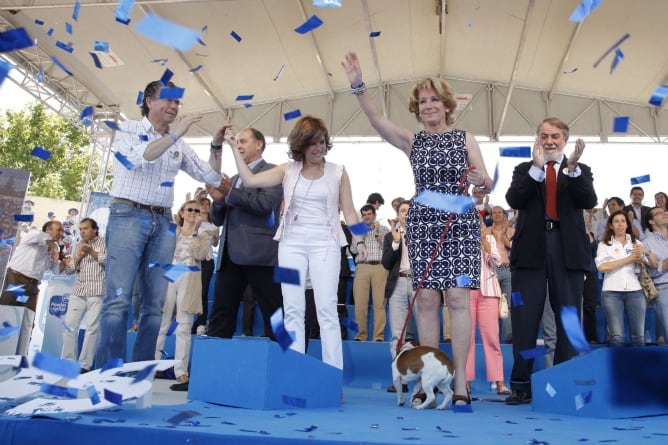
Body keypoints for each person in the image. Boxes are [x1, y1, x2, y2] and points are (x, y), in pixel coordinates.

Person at [342, 52, 492, 405]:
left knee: (457, 298)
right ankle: (427, 381)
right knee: (425, 299)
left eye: (434, 100)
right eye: (422, 101)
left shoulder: (466, 139)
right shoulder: (413, 141)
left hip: (459, 222)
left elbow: (485, 183)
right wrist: (357, 85)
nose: (428, 106)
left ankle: (459, 385)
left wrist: (479, 182)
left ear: (446, 104)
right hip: (424, 222)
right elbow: (376, 118)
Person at [95, 79, 223, 368]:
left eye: (178, 102)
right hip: (127, 214)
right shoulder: (128, 129)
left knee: (155, 305)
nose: (175, 107)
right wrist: (177, 134)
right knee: (118, 300)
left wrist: (216, 146)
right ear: (149, 101)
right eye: (169, 100)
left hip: (164, 220)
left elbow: (211, 176)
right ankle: (108, 373)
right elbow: (143, 156)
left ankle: (139, 375)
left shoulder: (180, 143)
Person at [227, 115, 367, 370]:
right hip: (290, 244)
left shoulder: (338, 172)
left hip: (326, 245)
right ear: (301, 145)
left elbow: (349, 211)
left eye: (322, 142)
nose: (318, 148)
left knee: (326, 309)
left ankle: (333, 372)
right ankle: (294, 371)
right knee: (292, 309)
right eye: (312, 143)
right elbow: (250, 181)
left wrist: (359, 240)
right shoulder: (287, 169)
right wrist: (231, 148)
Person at [505, 117, 597, 405]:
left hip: (567, 250)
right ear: (537, 139)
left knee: (568, 317)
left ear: (565, 140)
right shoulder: (524, 169)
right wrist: (534, 168)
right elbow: (514, 199)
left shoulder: (579, 171)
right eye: (544, 136)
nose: (549, 141)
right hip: (530, 251)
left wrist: (571, 168)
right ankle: (521, 385)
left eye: (555, 136)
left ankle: (560, 382)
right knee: (524, 320)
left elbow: (587, 199)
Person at [205, 127, 283, 342]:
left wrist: (231, 192)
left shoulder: (273, 172)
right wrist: (219, 201)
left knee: (275, 314)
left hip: (260, 256)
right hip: (229, 256)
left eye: (243, 141)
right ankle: (214, 366)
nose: (238, 145)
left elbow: (264, 205)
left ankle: (283, 364)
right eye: (236, 141)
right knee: (221, 314)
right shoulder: (235, 178)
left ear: (259, 144)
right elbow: (218, 219)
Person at [155, 200, 211, 391]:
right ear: (182, 211)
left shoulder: (204, 235)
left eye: (197, 210)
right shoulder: (173, 230)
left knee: (184, 325)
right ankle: (153, 365)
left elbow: (201, 254)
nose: (193, 213)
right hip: (172, 271)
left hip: (190, 274)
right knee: (162, 322)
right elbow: (162, 249)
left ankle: (181, 371)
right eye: (190, 210)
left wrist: (195, 231)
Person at [0, 220, 63, 355]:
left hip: (32, 287)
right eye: (58, 230)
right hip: (16, 281)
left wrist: (64, 261)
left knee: (27, 322)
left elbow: (56, 269)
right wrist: (54, 246)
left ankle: (20, 357)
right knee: (6, 316)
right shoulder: (35, 235)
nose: (61, 233)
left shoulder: (50, 249)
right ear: (48, 230)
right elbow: (42, 238)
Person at [466, 213, 510, 396]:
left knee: (492, 338)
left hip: (489, 293)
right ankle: (465, 382)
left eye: (479, 221)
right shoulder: (461, 240)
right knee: (465, 340)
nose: (477, 224)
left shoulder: (489, 239)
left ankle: (499, 382)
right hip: (466, 292)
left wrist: (483, 240)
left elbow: (497, 261)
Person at [595, 211, 652, 347]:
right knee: (617, 336)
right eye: (616, 221)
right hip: (611, 292)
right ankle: (619, 368)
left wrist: (646, 253)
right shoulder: (604, 244)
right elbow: (602, 267)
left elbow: (650, 264)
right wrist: (629, 259)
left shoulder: (636, 243)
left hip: (635, 290)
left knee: (639, 336)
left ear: (627, 224)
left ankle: (638, 368)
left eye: (623, 221)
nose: (620, 224)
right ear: (610, 225)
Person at [61, 218, 106, 372]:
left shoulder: (105, 242)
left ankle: (84, 366)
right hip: (79, 290)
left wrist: (91, 252)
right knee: (68, 327)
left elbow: (109, 261)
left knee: (92, 329)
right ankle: (68, 363)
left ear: (95, 229)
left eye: (85, 228)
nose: (82, 231)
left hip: (97, 290)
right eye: (80, 229)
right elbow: (69, 270)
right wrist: (79, 254)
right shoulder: (78, 244)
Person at [382, 200, 416, 354]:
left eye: (409, 210)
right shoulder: (390, 236)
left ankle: (424, 370)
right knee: (398, 332)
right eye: (402, 211)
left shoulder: (425, 235)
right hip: (398, 283)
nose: (406, 214)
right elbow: (386, 264)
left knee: (425, 328)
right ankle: (398, 374)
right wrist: (396, 243)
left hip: (419, 284)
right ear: (398, 215)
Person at [353, 204, 390, 341]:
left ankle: (378, 336)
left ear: (374, 215)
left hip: (380, 267)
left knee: (379, 304)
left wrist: (377, 234)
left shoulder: (385, 229)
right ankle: (360, 335)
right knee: (360, 305)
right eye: (364, 214)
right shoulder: (357, 231)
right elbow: (353, 249)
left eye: (369, 214)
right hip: (362, 267)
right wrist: (360, 236)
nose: (366, 217)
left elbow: (388, 249)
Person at [484, 205, 514, 343]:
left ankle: (507, 338)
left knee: (507, 305)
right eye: (494, 213)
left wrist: (503, 235)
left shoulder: (511, 230)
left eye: (499, 212)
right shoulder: (487, 231)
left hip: (507, 269)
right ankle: (492, 339)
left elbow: (512, 247)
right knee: (491, 305)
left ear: (504, 214)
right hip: (492, 271)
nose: (496, 215)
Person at [190, 196, 219, 335]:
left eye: (208, 204)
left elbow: (216, 244)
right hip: (194, 259)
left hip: (208, 259)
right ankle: (189, 321)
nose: (206, 207)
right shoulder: (194, 220)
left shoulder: (214, 223)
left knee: (203, 291)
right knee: (191, 291)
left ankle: (201, 322)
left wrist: (214, 236)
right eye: (203, 204)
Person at [642, 207, 668, 341]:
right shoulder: (647, 243)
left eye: (665, 211)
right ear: (652, 221)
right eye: (660, 213)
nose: (665, 214)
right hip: (664, 287)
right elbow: (655, 269)